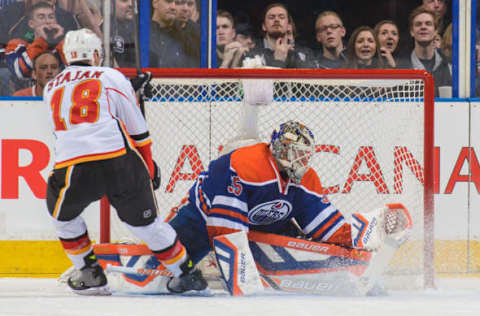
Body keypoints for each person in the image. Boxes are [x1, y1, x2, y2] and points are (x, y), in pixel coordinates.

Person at [43, 28, 207, 295]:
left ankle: (89, 271)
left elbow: (79, 112)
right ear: (96, 54)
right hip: (118, 159)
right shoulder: (111, 75)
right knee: (145, 224)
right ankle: (187, 275)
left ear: (65, 55)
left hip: (73, 164)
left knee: (62, 218)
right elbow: (137, 130)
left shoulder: (51, 86)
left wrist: (129, 91)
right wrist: (149, 165)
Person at [165, 119, 412, 269]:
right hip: (202, 218)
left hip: (259, 228)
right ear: (281, 150)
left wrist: (364, 235)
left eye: (306, 154)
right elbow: (226, 232)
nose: (303, 160)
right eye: (297, 153)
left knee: (316, 249)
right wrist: (233, 264)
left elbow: (327, 228)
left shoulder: (307, 178)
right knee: (170, 269)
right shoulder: (246, 164)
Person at [5, 2, 67, 93]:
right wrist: (41, 40)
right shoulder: (16, 45)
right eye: (41, 17)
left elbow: (74, 72)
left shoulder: (65, 45)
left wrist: (61, 40)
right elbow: (20, 73)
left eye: (51, 17)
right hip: (25, 99)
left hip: (59, 94)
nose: (47, 21)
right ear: (31, 24)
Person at [398, 6, 452, 97]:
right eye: (418, 24)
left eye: (428, 24)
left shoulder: (450, 65)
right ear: (412, 31)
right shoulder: (401, 68)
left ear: (436, 31)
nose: (423, 27)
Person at [241, 3, 314, 68]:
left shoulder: (303, 53)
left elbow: (310, 81)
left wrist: (292, 55)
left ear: (288, 25)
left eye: (281, 17)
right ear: (264, 26)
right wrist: (278, 61)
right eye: (271, 17)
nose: (276, 20)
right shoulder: (253, 54)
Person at [150, 0, 193, 67]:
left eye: (177, 3)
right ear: (155, 3)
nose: (173, 7)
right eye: (168, 1)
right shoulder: (139, 32)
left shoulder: (186, 38)